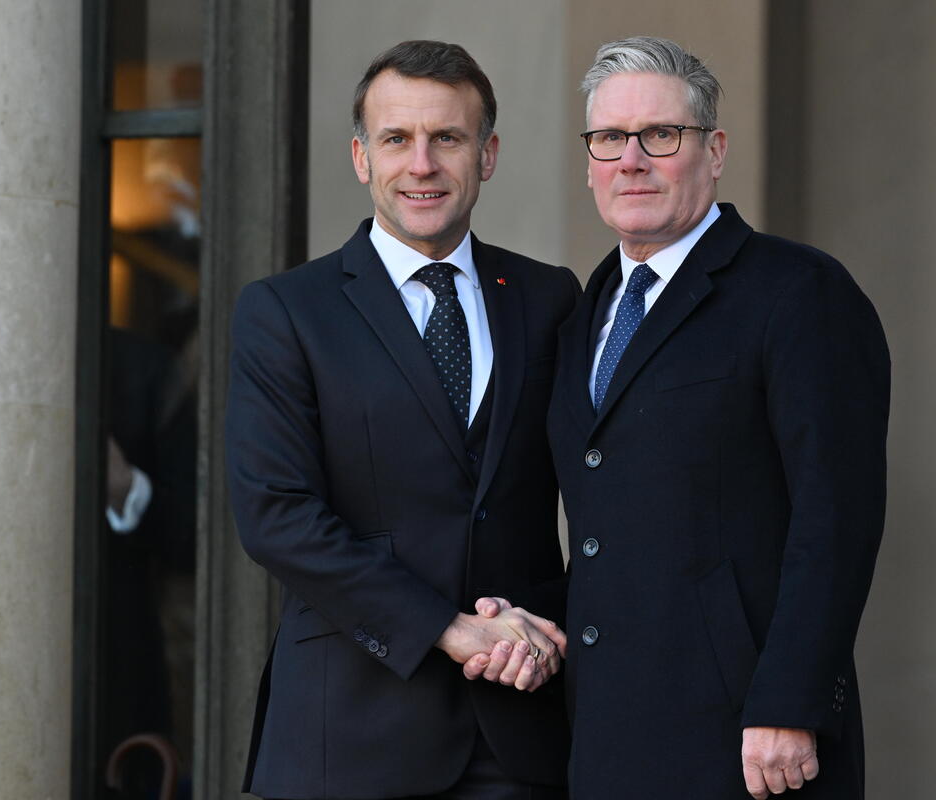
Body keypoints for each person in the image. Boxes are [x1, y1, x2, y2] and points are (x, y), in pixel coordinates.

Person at [225, 40, 579, 800]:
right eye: (396, 139)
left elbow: (602, 492)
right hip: (347, 737)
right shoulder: (286, 310)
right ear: (361, 157)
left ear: (486, 155)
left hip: (518, 730)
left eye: (447, 138)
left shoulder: (549, 300)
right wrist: (448, 629)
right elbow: (275, 516)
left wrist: (544, 630)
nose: (422, 164)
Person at [545, 36, 890, 799]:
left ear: (715, 149)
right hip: (603, 734)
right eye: (609, 138)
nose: (630, 159)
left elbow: (837, 515)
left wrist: (790, 703)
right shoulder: (583, 319)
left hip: (748, 743)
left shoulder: (798, 293)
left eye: (660, 135)